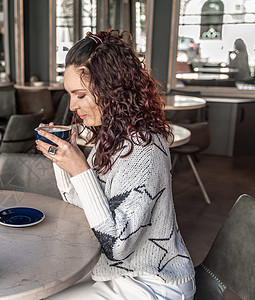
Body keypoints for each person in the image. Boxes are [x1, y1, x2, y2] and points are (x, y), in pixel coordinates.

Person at [36, 30, 195, 299]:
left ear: (111, 90)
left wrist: (80, 170)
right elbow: (83, 207)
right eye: (70, 95)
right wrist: (62, 158)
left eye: (80, 95)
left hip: (152, 282)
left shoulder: (144, 148)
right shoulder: (112, 137)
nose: (72, 105)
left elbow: (116, 244)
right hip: (116, 271)